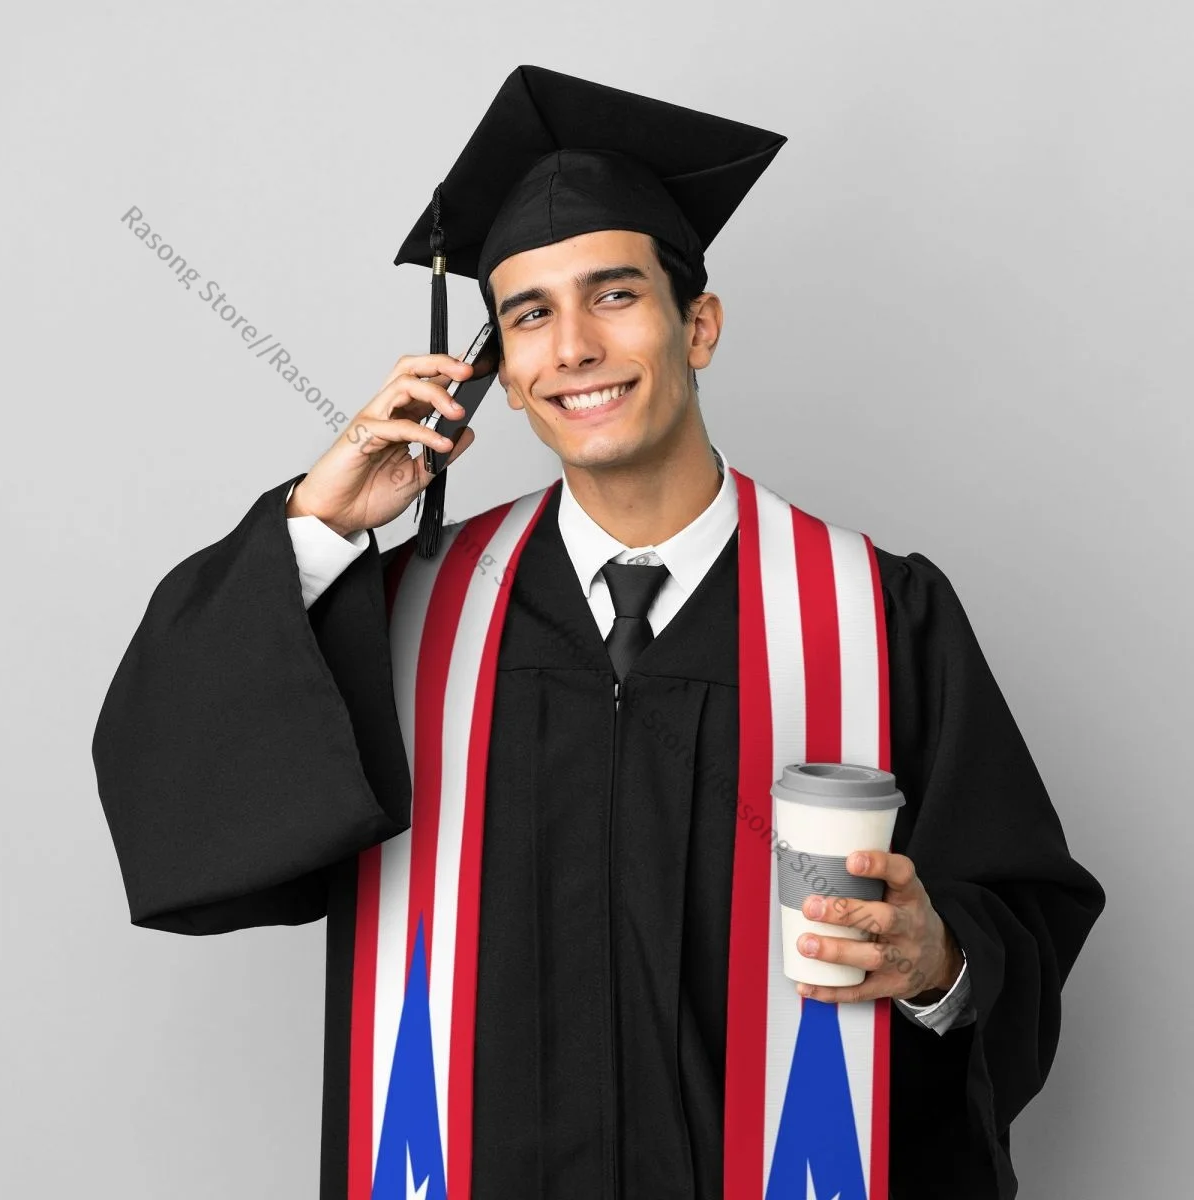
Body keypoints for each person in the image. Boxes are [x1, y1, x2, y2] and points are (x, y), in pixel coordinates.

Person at [92, 66, 1105, 1200]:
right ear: (503, 379)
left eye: (615, 295)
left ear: (700, 325)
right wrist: (320, 524)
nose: (572, 345)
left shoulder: (876, 613)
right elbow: (180, 792)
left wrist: (941, 962)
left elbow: (1018, 917)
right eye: (529, 314)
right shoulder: (408, 616)